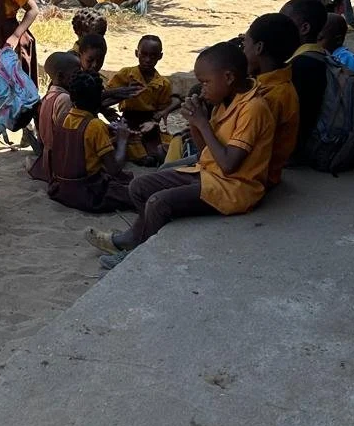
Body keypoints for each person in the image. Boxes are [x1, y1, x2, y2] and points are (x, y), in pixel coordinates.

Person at [91, 42, 275, 265]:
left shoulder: (253, 108)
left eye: (205, 82)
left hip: (233, 187)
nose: (203, 89)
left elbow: (229, 165)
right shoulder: (224, 100)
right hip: (209, 172)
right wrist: (196, 124)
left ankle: (135, 253)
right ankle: (135, 238)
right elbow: (205, 152)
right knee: (138, 187)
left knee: (158, 202)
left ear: (228, 77)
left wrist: (202, 124)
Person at [47, 69, 132, 212]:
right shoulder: (95, 126)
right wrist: (123, 140)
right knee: (131, 190)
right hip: (87, 192)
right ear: (99, 101)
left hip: (59, 189)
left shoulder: (62, 117)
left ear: (72, 98)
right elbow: (114, 169)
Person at [241, 12, 301, 188]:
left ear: (258, 48)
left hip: (254, 176)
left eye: (245, 44)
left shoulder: (271, 96)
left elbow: (243, 149)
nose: (242, 50)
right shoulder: (275, 83)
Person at [107, 35, 175, 164]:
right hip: (129, 119)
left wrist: (154, 122)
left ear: (160, 56)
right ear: (136, 53)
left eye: (153, 56)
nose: (147, 60)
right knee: (129, 143)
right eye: (143, 55)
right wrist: (124, 92)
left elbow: (161, 109)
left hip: (149, 122)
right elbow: (108, 94)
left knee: (163, 147)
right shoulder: (126, 74)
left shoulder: (163, 83)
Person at [281, 0, 330, 153]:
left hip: (300, 147)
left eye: (285, 22)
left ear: (304, 28)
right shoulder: (322, 55)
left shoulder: (300, 65)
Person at [29, 50, 79, 183]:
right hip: (59, 159)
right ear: (61, 76)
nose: (79, 77)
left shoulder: (48, 97)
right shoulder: (64, 99)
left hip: (47, 156)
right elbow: (66, 134)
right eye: (76, 74)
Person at [321, 11, 354, 76]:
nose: (315, 42)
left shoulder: (347, 58)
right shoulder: (321, 54)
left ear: (338, 40)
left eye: (320, 39)